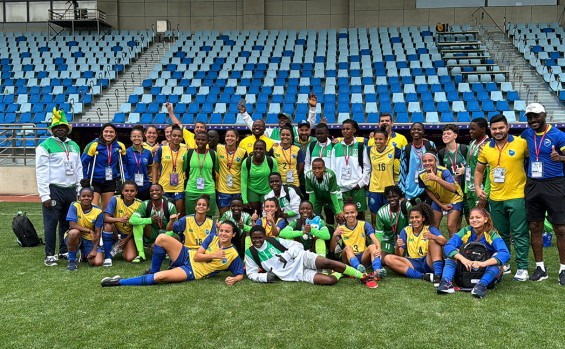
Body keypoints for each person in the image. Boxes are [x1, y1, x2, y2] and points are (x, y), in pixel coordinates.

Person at [101, 221, 243, 287]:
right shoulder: (212, 237)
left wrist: (234, 279)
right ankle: (153, 270)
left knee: (160, 277)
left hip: (192, 271)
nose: (223, 233)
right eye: (222, 230)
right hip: (188, 255)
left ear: (234, 234)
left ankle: (119, 282)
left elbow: (239, 273)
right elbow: (198, 256)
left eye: (227, 231)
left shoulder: (233, 254)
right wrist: (213, 255)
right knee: (161, 238)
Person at [475, 114, 530, 281]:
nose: (498, 131)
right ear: (490, 130)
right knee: (500, 234)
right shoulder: (486, 148)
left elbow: (531, 162)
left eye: (501, 128)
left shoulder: (521, 143)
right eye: (494, 129)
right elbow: (478, 171)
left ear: (508, 127)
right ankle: (504, 263)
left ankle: (522, 267)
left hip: (517, 195)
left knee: (519, 233)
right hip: (496, 198)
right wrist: (478, 188)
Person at [245, 225, 377, 287]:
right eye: (254, 238)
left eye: (260, 238)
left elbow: (298, 246)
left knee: (326, 262)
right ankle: (340, 273)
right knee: (329, 281)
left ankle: (362, 276)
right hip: (294, 274)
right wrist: (264, 277)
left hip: (301, 258)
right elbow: (250, 273)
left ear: (265, 237)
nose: (257, 240)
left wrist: (287, 255)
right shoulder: (250, 253)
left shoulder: (274, 241)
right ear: (251, 238)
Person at [520, 103, 565, 284]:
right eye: (529, 117)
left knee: (560, 228)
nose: (532, 120)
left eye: (536, 116)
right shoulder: (526, 134)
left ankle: (563, 269)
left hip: (554, 183)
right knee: (535, 227)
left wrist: (561, 158)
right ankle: (540, 267)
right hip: (532, 184)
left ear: (544, 115)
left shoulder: (558, 135)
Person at [36, 108, 82, 266]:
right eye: (56, 127)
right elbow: (41, 172)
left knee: (66, 222)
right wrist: (45, 196)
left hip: (70, 190)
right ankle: (49, 254)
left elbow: (78, 169)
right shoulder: (44, 146)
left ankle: (63, 250)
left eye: (63, 126)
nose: (60, 129)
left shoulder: (74, 145)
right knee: (51, 223)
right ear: (52, 129)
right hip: (54, 190)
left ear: (68, 129)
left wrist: (79, 190)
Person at [437, 208, 510, 298]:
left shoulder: (491, 233)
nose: (474, 220)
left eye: (478, 217)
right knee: (454, 252)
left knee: (497, 257)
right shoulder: (466, 231)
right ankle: (446, 283)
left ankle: (481, 285)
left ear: (485, 219)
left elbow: (505, 253)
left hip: (486, 269)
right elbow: (449, 245)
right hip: (467, 268)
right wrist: (462, 259)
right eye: (472, 218)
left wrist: (483, 263)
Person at [383, 203, 446, 284]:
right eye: (412, 218)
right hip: (412, 263)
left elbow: (445, 242)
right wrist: (397, 247)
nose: (414, 220)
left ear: (423, 218)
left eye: (417, 217)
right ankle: (422, 276)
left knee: (433, 240)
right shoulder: (406, 230)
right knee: (387, 258)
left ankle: (438, 276)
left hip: (428, 261)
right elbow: (399, 255)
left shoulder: (430, 229)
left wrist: (433, 237)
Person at [329, 198, 386, 278]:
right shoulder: (340, 228)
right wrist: (335, 235)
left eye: (352, 212)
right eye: (347, 213)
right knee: (348, 248)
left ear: (356, 213)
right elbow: (331, 249)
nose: (350, 215)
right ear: (344, 215)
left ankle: (377, 270)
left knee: (373, 246)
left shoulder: (364, 224)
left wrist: (379, 249)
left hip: (363, 257)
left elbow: (375, 239)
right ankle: (357, 268)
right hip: (348, 258)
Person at [81, 123, 126, 210]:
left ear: (115, 134)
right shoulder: (93, 145)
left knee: (107, 209)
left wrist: (123, 178)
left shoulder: (120, 146)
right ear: (102, 133)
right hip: (94, 180)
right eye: (106, 131)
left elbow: (124, 163)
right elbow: (83, 163)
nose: (108, 134)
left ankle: (104, 224)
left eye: (111, 132)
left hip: (110, 181)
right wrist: (85, 178)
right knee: (94, 208)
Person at [419, 151, 464, 238]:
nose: (427, 163)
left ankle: (454, 249)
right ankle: (436, 247)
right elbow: (428, 190)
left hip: (454, 198)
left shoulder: (444, 171)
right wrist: (440, 205)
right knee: (433, 226)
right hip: (439, 200)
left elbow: (453, 188)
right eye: (424, 161)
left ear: (436, 162)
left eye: (430, 160)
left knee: (451, 226)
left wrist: (436, 178)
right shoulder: (421, 175)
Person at [129, 183, 177, 263]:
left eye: (157, 190)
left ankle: (167, 251)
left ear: (162, 192)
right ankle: (141, 255)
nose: (154, 192)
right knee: (137, 224)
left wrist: (157, 241)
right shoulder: (146, 204)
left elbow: (175, 228)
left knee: (176, 237)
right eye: (152, 191)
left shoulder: (170, 205)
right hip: (153, 232)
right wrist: (150, 220)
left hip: (168, 233)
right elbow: (132, 220)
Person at [238, 94, 317, 142]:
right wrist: (244, 114)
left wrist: (313, 108)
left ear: (289, 121)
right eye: (280, 119)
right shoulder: (271, 132)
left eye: (284, 119)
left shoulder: (296, 130)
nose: (282, 120)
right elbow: (255, 128)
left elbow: (309, 124)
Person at [330, 119, 369, 218]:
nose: (345, 131)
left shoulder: (360, 146)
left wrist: (360, 184)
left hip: (356, 187)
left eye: (348, 129)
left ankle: (360, 233)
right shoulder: (336, 147)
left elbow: (367, 167)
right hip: (341, 188)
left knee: (359, 215)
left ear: (354, 130)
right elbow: (333, 168)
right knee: (343, 215)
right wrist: (336, 184)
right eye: (343, 129)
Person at [365, 126, 402, 227]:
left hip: (389, 189)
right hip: (374, 189)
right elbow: (357, 141)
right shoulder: (369, 150)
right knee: (374, 217)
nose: (378, 141)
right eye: (376, 139)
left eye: (381, 139)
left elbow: (407, 152)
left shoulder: (392, 149)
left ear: (386, 140)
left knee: (389, 217)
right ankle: (375, 240)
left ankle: (390, 239)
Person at [102, 180, 142, 266]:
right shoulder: (115, 199)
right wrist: (120, 219)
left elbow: (138, 227)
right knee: (108, 225)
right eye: (126, 191)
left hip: (129, 234)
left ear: (136, 192)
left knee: (130, 258)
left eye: (132, 191)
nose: (129, 193)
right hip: (116, 231)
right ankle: (108, 256)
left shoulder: (139, 204)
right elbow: (105, 218)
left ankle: (123, 247)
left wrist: (126, 240)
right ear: (122, 191)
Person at [64, 187, 104, 271]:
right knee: (74, 232)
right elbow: (72, 225)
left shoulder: (98, 211)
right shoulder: (74, 206)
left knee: (98, 262)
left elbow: (98, 232)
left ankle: (84, 254)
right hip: (75, 236)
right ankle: (72, 261)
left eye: (89, 196)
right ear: (79, 198)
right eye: (83, 196)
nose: (86, 198)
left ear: (93, 198)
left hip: (89, 239)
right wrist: (89, 230)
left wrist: (94, 249)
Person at [152, 125, 187, 217]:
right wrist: (154, 184)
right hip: (164, 186)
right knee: (163, 214)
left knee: (177, 214)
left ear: (182, 138)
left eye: (179, 136)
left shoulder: (185, 150)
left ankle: (176, 231)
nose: (176, 138)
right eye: (174, 135)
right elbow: (155, 166)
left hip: (179, 186)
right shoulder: (162, 149)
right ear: (170, 137)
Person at [399, 122, 436, 205]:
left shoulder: (430, 145)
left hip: (428, 187)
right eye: (414, 129)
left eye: (419, 129)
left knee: (427, 214)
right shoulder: (406, 149)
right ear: (410, 131)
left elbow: (436, 166)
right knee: (412, 215)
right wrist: (402, 192)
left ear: (423, 132)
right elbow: (402, 171)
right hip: (411, 188)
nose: (416, 131)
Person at [183, 131, 219, 216]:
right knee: (190, 217)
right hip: (192, 189)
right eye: (198, 139)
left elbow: (218, 169)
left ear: (207, 141)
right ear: (195, 140)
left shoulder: (213, 154)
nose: (200, 141)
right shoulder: (189, 153)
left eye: (203, 140)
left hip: (208, 189)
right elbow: (183, 169)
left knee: (208, 217)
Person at [240, 139, 279, 214]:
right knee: (254, 213)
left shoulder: (271, 161)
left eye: (261, 149)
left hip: (267, 190)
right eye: (256, 148)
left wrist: (277, 195)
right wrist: (244, 200)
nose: (258, 151)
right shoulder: (247, 162)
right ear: (253, 150)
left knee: (267, 213)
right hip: (252, 189)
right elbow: (244, 182)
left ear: (265, 150)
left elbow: (276, 180)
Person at [367, 113, 408, 182]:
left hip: (397, 178)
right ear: (379, 124)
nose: (384, 122)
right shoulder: (372, 139)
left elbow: (406, 157)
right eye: (382, 121)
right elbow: (368, 159)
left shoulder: (401, 138)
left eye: (387, 121)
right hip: (378, 178)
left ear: (392, 123)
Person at [216, 128, 247, 217]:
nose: (230, 138)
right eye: (228, 136)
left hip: (238, 189)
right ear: (225, 138)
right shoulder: (218, 148)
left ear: (237, 138)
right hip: (223, 190)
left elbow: (244, 171)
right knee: (224, 215)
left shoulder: (242, 152)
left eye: (232, 136)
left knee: (238, 216)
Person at [305, 158, 344, 226]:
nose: (317, 171)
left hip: (334, 196)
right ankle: (322, 233)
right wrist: (311, 209)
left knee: (341, 217)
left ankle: (342, 234)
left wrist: (338, 211)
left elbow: (333, 194)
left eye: (320, 168)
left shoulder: (330, 175)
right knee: (313, 216)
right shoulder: (309, 175)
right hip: (319, 197)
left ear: (324, 168)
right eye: (314, 168)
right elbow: (312, 194)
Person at [375, 185, 412, 257]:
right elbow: (379, 234)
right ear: (386, 198)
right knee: (383, 259)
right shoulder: (382, 212)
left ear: (399, 196)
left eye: (394, 196)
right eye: (389, 197)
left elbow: (412, 226)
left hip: (403, 239)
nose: (392, 199)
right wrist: (378, 249)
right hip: (388, 240)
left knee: (400, 256)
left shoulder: (406, 206)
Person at [464, 118, 490, 212]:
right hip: (470, 187)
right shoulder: (472, 143)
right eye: (470, 128)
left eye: (473, 129)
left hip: (481, 189)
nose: (470, 131)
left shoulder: (488, 144)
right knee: (473, 216)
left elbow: (488, 171)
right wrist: (467, 189)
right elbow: (469, 166)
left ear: (483, 129)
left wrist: (485, 193)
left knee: (483, 218)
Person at [125, 126, 153, 201]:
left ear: (142, 138)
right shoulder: (127, 152)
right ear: (131, 138)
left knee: (144, 206)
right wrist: (128, 179)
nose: (136, 138)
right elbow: (125, 167)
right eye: (134, 136)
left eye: (139, 136)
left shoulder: (148, 152)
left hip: (145, 185)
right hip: (131, 185)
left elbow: (149, 168)